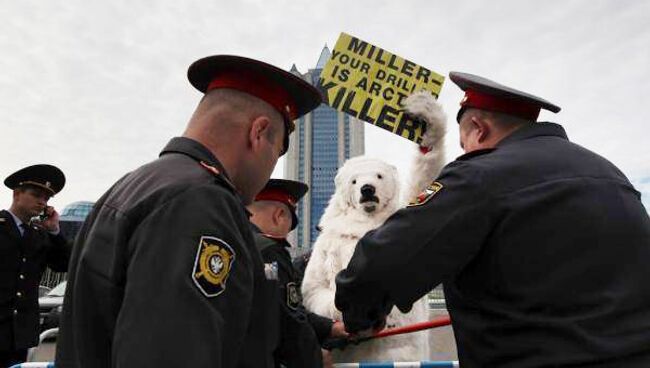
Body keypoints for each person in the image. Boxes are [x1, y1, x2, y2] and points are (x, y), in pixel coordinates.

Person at [335, 72, 650, 367]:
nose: (465, 153)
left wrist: (359, 318)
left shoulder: (480, 175)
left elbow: (380, 264)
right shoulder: (611, 176)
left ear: (479, 129)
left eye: (463, 144)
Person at [55, 55, 322, 368]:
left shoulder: (133, 185)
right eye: (276, 153)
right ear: (259, 133)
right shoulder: (201, 201)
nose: (269, 169)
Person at [248, 179, 347, 368]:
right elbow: (287, 318)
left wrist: (331, 327)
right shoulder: (268, 252)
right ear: (279, 216)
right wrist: (315, 358)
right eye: (288, 226)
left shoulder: (226, 239)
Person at [1, 164, 70, 367]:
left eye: (46, 198)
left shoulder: (40, 235)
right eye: (36, 194)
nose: (42, 202)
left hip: (19, 335)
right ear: (17, 194)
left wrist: (55, 231)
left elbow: (63, 264)